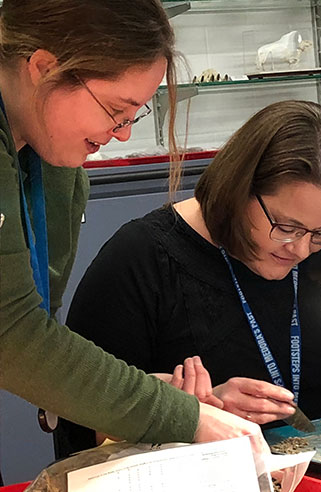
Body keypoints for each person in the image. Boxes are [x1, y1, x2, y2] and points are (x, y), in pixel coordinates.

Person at [55, 100, 321, 457]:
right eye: (286, 227)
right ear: (237, 191)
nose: (301, 250)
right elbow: (80, 422)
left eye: (319, 232)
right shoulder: (141, 259)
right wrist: (187, 416)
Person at [0, 1, 263, 481]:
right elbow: (11, 334)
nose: (120, 136)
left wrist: (137, 397)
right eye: (115, 111)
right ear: (43, 67)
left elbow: (36, 329)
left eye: (134, 117)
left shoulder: (51, 162)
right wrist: (179, 415)